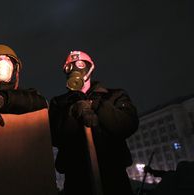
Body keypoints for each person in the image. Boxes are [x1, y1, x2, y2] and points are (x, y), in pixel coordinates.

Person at [49, 50, 139, 195]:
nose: (75, 69)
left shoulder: (115, 96)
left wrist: (97, 105)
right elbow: (54, 136)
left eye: (79, 64)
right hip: (76, 177)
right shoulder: (59, 103)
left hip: (113, 173)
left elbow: (128, 125)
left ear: (90, 67)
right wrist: (73, 112)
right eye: (70, 66)